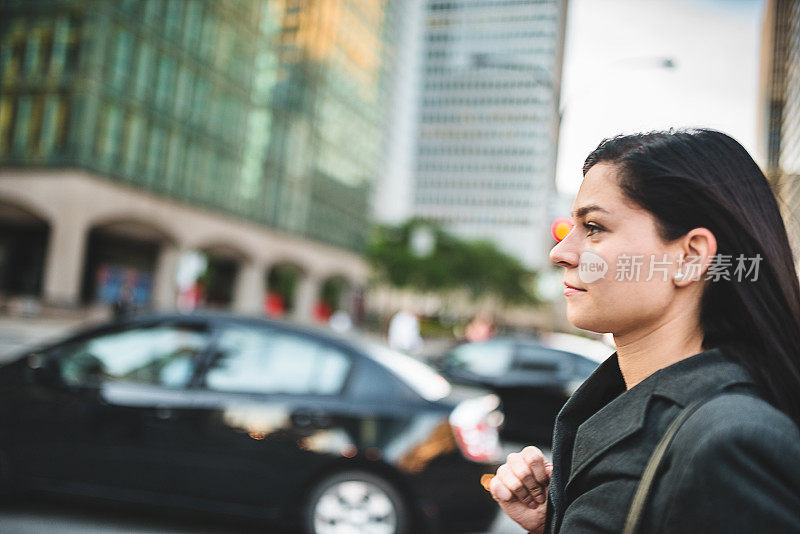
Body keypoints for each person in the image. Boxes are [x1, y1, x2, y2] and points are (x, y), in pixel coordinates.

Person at [488, 129, 800, 533]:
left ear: (689, 257)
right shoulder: (627, 408)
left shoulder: (730, 439)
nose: (561, 253)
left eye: (595, 227)